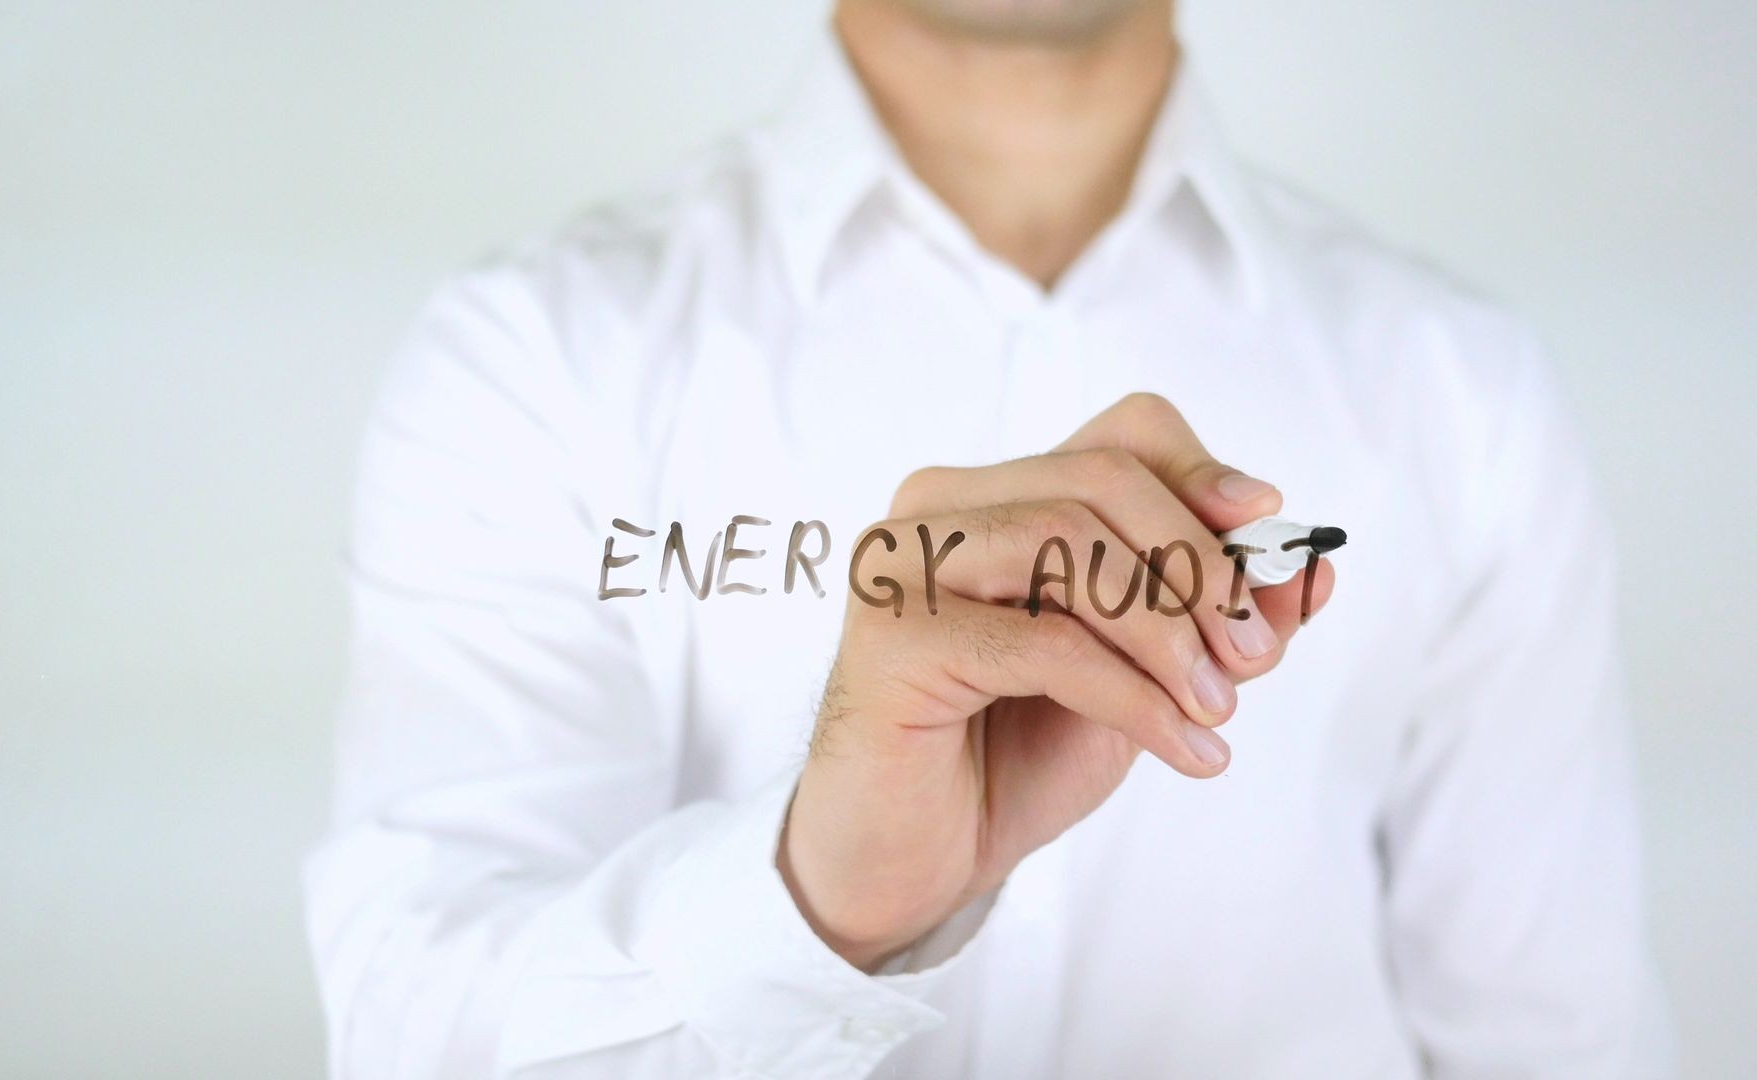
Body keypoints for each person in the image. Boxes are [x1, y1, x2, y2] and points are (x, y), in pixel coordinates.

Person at [303, 0, 1672, 1075]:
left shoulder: (1461, 390)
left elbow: (1553, 1041)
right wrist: (818, 900)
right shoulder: (535, 358)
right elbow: (414, 1037)